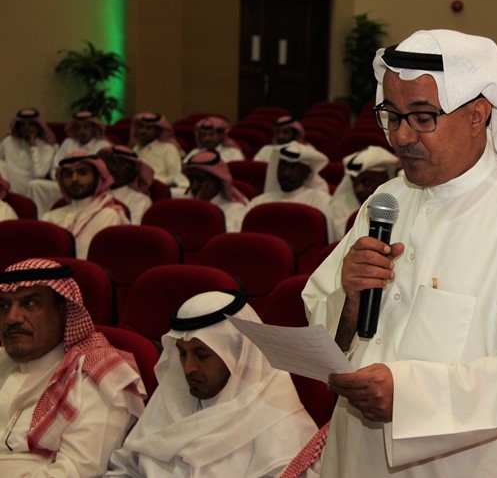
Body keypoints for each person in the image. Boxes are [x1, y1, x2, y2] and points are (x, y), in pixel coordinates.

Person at [300, 30, 497, 477]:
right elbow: (328, 327)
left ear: (477, 115)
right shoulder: (386, 200)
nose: (401, 135)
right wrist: (348, 303)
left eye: (422, 117)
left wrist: (412, 396)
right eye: (391, 115)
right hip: (358, 457)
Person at [105, 290, 318, 477]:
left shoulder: (280, 422)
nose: (188, 368)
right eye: (182, 354)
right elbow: (125, 468)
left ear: (237, 354)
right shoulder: (170, 396)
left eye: (202, 354)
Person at [0, 258, 146, 476]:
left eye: (30, 303)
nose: (12, 318)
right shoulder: (4, 359)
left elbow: (75, 472)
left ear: (64, 311)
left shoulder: (97, 375)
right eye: (3, 305)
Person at [41, 151, 130, 258]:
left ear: (97, 177)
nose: (74, 179)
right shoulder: (49, 217)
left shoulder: (108, 215)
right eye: (68, 174)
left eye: (82, 173)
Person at [29, 111, 113, 218]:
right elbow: (56, 167)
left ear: (93, 128)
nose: (82, 131)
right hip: (65, 184)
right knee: (35, 185)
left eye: (86, 127)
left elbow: (105, 174)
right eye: (78, 128)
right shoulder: (68, 142)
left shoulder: (104, 145)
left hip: (93, 188)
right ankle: (41, 218)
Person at [326, 145, 399, 241]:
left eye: (367, 182)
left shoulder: (397, 204)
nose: (359, 189)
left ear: (385, 179)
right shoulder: (340, 205)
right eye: (354, 182)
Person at [245, 141, 331, 215]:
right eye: (283, 166)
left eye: (294, 168)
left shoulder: (318, 200)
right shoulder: (260, 202)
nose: (286, 173)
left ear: (307, 173)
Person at [183, 150, 249, 232]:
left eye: (200, 179)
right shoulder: (185, 202)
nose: (194, 186)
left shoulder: (235, 210)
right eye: (191, 179)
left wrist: (201, 205)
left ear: (217, 182)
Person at [0, 108, 57, 197]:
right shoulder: (8, 142)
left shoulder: (47, 148)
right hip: (7, 190)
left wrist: (33, 147)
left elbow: (39, 174)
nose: (26, 128)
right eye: (22, 125)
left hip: (30, 191)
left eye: (31, 124)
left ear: (38, 127)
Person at [129, 112, 188, 195]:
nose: (143, 131)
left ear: (158, 131)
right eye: (141, 127)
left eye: (149, 128)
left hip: (158, 190)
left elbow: (174, 176)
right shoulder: (136, 148)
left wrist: (152, 183)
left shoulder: (168, 149)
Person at [96, 145, 155, 225]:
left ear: (131, 172)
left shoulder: (140, 200)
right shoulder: (97, 194)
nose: (114, 169)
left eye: (120, 165)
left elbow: (132, 229)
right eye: (110, 164)